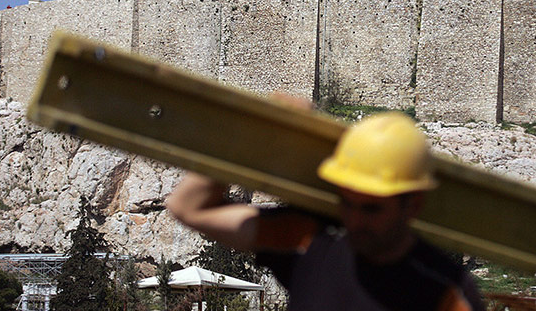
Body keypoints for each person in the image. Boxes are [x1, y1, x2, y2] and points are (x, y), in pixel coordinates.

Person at [167, 112, 484, 311]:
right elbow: (187, 206)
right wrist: (251, 135)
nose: (356, 220)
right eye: (346, 202)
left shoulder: (446, 290)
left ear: (413, 204)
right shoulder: (309, 240)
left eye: (372, 208)